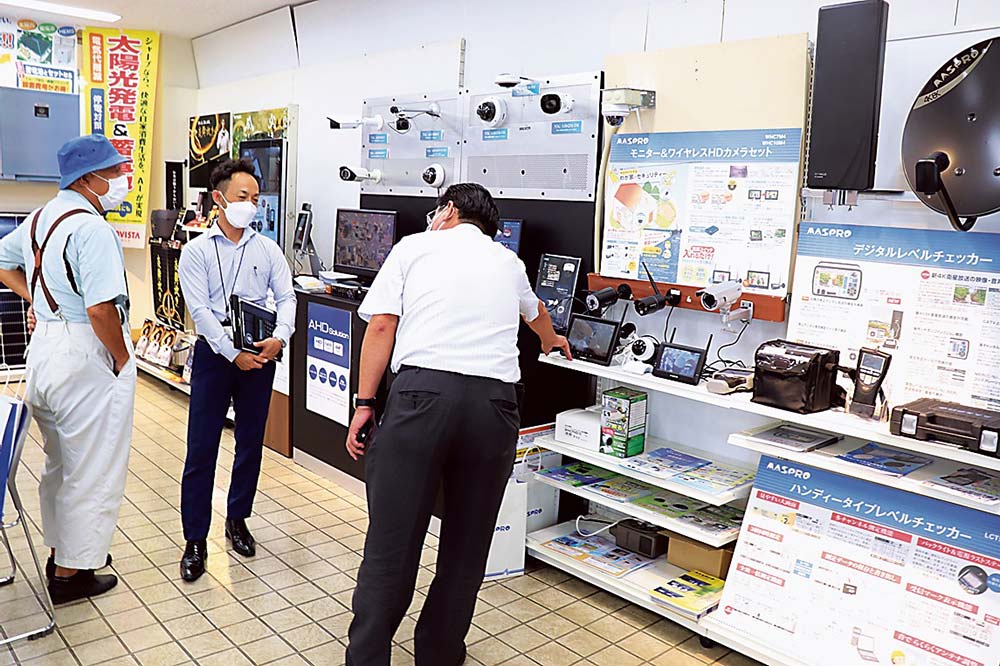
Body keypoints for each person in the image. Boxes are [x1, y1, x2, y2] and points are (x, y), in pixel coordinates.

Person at [344, 183, 572, 666]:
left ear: (447, 211)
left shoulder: (415, 247)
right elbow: (537, 316)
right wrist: (554, 342)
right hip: (493, 408)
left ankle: (367, 657)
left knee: (393, 542)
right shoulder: (507, 262)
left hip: (421, 400)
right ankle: (440, 652)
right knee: (467, 545)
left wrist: (365, 403)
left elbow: (382, 326)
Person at [0, 134, 134, 604]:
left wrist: (37, 298)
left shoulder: (39, 217)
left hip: (45, 350)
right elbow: (101, 310)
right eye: (114, 172)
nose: (120, 180)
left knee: (59, 462)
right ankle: (71, 573)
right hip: (85, 351)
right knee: (91, 466)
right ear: (89, 178)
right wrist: (120, 357)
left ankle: (64, 552)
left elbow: (1, 262)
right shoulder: (92, 229)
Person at [177, 158, 296, 582]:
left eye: (255, 198)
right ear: (219, 198)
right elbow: (201, 313)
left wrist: (280, 336)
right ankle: (195, 539)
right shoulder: (196, 251)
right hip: (215, 357)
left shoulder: (267, 249)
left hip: (259, 356)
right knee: (202, 448)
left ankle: (237, 518)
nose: (250, 205)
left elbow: (287, 296)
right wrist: (232, 353)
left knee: (250, 443)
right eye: (242, 197)